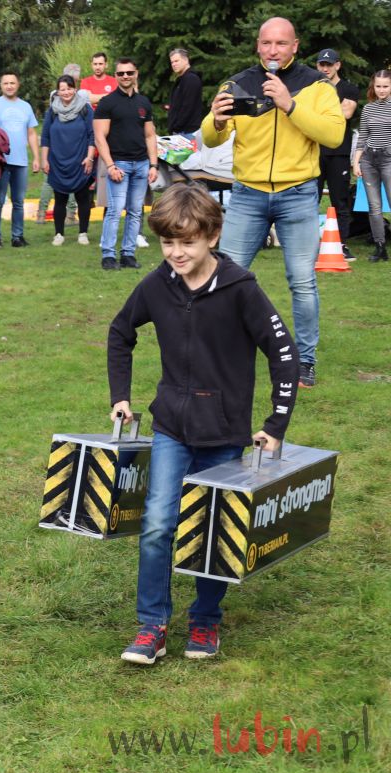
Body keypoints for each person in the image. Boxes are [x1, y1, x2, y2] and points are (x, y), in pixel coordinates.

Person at [108, 183, 298, 664]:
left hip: (225, 433)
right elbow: (120, 332)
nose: (176, 253)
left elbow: (284, 354)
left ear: (212, 235)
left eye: (187, 242)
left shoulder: (242, 290)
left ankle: (205, 622)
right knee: (157, 525)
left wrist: (275, 424)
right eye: (168, 242)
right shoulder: (156, 285)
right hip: (171, 427)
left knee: (214, 530)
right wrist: (122, 397)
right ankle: (151, 626)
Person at [203, 16, 344, 388]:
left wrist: (290, 105)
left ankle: (305, 361)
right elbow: (212, 138)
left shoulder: (317, 85)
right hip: (248, 194)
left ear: (295, 46)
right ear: (258, 46)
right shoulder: (238, 83)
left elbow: (333, 135)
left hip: (297, 193)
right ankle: (219, 354)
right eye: (267, 43)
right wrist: (215, 122)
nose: (273, 50)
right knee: (223, 276)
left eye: (281, 44)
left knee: (301, 282)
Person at [95, 57, 157, 270]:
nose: (125, 76)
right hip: (119, 164)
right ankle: (108, 256)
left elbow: (150, 136)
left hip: (141, 165)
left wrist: (154, 165)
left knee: (135, 211)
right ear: (116, 76)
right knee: (115, 210)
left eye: (129, 73)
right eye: (121, 73)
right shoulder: (107, 102)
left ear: (135, 74)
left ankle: (128, 254)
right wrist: (111, 166)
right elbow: (99, 137)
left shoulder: (143, 103)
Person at [315, 49, 361, 261]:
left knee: (339, 201)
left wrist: (316, 114)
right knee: (309, 200)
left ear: (337, 66)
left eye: (329, 65)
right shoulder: (312, 88)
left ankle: (341, 244)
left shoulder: (349, 88)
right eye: (322, 65)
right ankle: (310, 244)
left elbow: (346, 113)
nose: (325, 69)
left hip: (339, 153)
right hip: (313, 152)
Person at [0, 73, 40, 248]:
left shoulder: (25, 106)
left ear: (18, 85)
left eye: (12, 83)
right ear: (1, 85)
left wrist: (36, 158)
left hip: (21, 161)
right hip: (1, 160)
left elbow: (31, 133)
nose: (9, 86)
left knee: (19, 200)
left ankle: (18, 236)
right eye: (6, 83)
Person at [41, 76, 96, 247]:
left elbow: (92, 135)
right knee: (60, 199)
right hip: (58, 161)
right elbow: (45, 137)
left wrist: (90, 157)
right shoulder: (52, 111)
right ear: (57, 91)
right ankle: (58, 234)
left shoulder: (85, 109)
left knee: (83, 198)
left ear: (75, 89)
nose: (65, 92)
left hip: (80, 161)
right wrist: (44, 160)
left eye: (69, 88)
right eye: (62, 89)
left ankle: (83, 233)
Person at [36, 63, 87, 224]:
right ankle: (69, 214)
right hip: (62, 148)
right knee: (63, 181)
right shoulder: (79, 98)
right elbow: (46, 133)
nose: (67, 91)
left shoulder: (54, 98)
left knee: (51, 181)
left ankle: (42, 213)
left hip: (63, 147)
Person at [353, 70, 391, 262]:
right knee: (374, 207)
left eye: (385, 86)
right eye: (378, 86)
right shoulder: (368, 109)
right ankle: (380, 248)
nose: (382, 90)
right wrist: (356, 162)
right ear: (373, 87)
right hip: (368, 161)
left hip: (388, 160)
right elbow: (363, 137)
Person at [82, 53, 118, 209]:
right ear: (91, 65)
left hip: (110, 129)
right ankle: (86, 200)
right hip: (89, 129)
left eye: (100, 64)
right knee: (89, 164)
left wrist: (97, 97)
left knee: (105, 163)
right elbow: (86, 99)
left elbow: (117, 100)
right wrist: (108, 96)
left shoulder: (113, 81)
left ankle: (106, 199)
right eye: (95, 64)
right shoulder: (85, 82)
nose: (97, 67)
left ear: (106, 65)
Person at [165, 49, 204, 138]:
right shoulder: (182, 80)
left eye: (176, 61)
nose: (174, 64)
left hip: (187, 132)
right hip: (182, 132)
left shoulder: (191, 79)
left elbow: (188, 106)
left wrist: (176, 127)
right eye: (172, 62)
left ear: (186, 60)